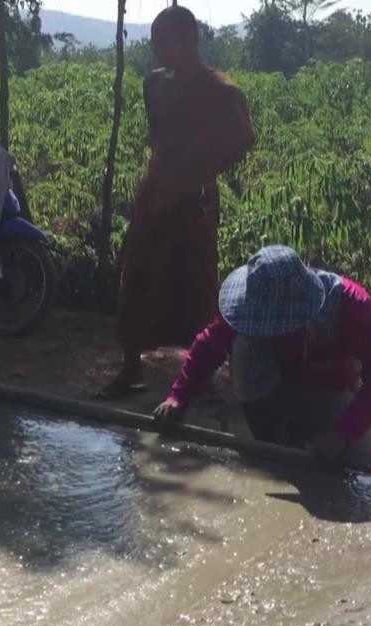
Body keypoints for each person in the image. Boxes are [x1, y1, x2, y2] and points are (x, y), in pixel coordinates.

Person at [98, 5, 255, 399]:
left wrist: (200, 170)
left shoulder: (222, 91)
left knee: (195, 286)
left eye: (164, 42)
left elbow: (244, 138)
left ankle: (198, 375)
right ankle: (131, 367)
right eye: (155, 43)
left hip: (193, 200)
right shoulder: (155, 85)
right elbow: (159, 133)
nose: (158, 51)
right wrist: (164, 172)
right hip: (157, 194)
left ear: (189, 40)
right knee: (137, 277)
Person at [153, 246, 371, 473]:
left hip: (327, 388)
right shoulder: (250, 303)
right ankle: (270, 438)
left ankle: (304, 435)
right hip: (268, 385)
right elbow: (209, 343)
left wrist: (344, 433)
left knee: (361, 460)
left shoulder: (351, 306)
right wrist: (178, 396)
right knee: (242, 347)